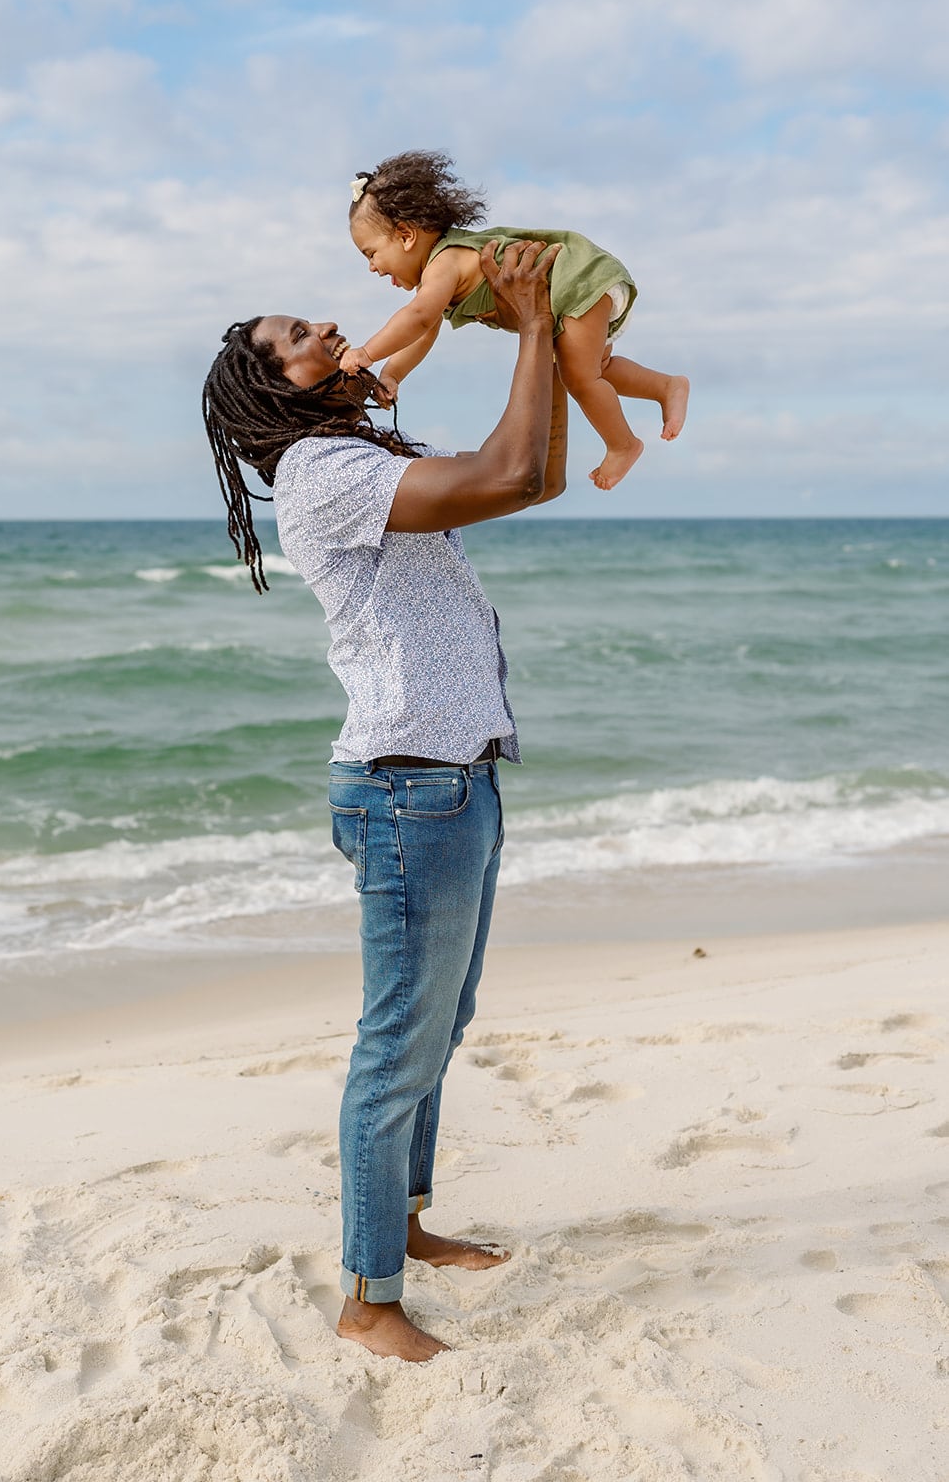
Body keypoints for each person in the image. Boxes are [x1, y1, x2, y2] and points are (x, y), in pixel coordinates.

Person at [201, 239, 564, 1362]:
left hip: (453, 779)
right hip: (409, 793)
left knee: (435, 1027)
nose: (326, 330)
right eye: (297, 335)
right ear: (275, 385)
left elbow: (533, 472)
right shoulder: (324, 472)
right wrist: (537, 325)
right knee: (394, 1047)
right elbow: (508, 477)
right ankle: (367, 1297)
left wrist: (516, 322)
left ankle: (404, 1227)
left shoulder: (350, 448)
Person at [338, 149, 689, 491]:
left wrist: (368, 352)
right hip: (576, 285)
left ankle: (622, 444)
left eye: (371, 253)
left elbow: (417, 318)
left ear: (405, 235)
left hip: (573, 280)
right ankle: (665, 386)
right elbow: (422, 332)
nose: (372, 267)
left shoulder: (443, 264)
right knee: (596, 368)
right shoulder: (437, 277)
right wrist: (393, 373)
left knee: (579, 377)